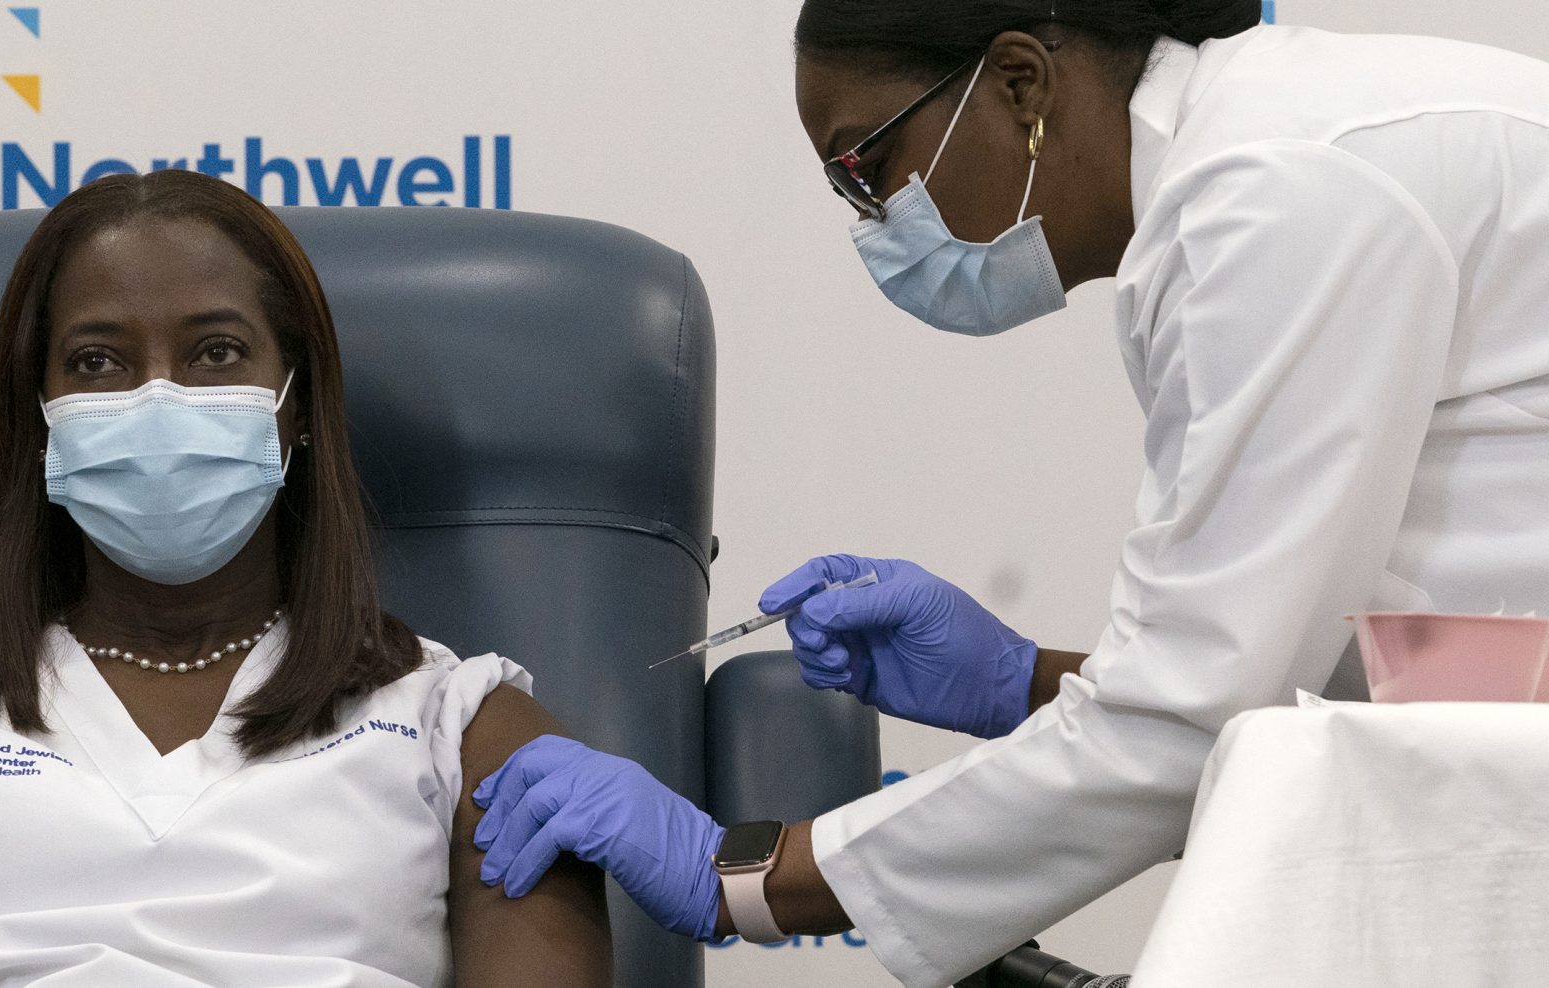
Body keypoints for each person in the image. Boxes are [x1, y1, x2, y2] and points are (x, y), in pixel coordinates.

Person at [470, 2, 1549, 985]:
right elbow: (1276, 694)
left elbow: (1187, 725)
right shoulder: (1248, 178)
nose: (872, 218)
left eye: (865, 165)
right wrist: (1023, 679)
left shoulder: (1276, 194)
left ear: (1022, 83)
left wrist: (740, 878)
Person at [0, 170, 612, 988]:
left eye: (216, 352)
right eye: (97, 361)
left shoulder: (461, 720)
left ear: (295, 405)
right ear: (44, 417)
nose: (157, 397)